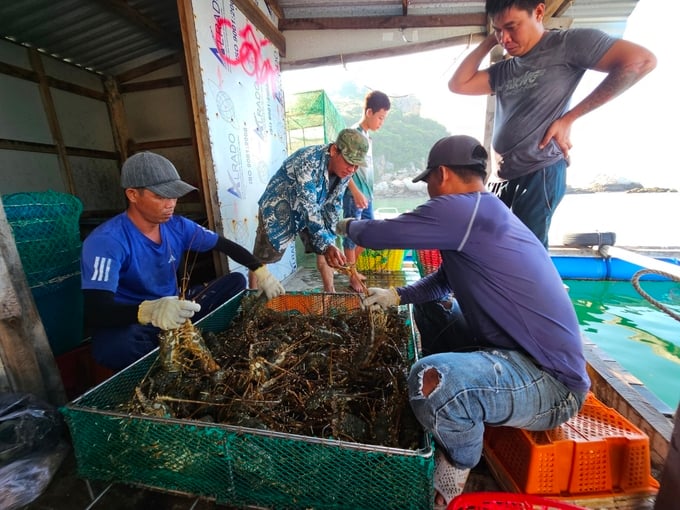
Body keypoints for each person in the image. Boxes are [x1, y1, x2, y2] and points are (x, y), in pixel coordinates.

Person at [335, 135, 590, 506]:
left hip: (552, 384)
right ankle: (465, 409)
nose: (429, 193)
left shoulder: (465, 210)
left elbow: (381, 233)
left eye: (429, 184)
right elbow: (443, 283)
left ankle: (457, 465)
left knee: (430, 381)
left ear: (441, 174)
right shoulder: (485, 213)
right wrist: (397, 296)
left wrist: (341, 226)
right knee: (428, 307)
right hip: (509, 354)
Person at [448, 0, 656, 247]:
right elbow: (458, 84)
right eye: (498, 30)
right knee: (489, 248)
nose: (505, 38)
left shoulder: (566, 44)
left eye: (512, 27)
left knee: (527, 253)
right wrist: (488, 41)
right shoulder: (505, 69)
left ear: (538, 12)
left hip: (539, 170)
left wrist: (570, 118)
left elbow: (641, 61)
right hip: (501, 177)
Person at [81, 151, 284, 372]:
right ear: (132, 194)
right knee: (113, 347)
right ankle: (159, 363)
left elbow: (224, 245)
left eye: (174, 196)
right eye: (160, 196)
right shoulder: (107, 241)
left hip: (175, 305)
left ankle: (192, 337)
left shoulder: (176, 226)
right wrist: (148, 311)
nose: (171, 204)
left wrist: (261, 271)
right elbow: (97, 310)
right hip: (137, 319)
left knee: (235, 282)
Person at [251, 128, 369, 293]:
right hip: (280, 208)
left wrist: (331, 239)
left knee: (326, 246)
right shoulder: (307, 160)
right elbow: (309, 208)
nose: (352, 169)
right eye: (349, 162)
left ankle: (330, 293)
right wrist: (327, 243)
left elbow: (334, 205)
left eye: (357, 165)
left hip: (313, 208)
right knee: (263, 258)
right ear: (334, 150)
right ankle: (251, 296)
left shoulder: (346, 172)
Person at [342, 90, 391, 291]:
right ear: (369, 112)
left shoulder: (367, 137)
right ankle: (352, 276)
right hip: (355, 195)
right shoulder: (353, 135)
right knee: (351, 235)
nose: (381, 122)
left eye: (384, 119)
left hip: (367, 196)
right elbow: (345, 170)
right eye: (380, 117)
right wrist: (355, 192)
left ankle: (349, 268)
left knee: (370, 236)